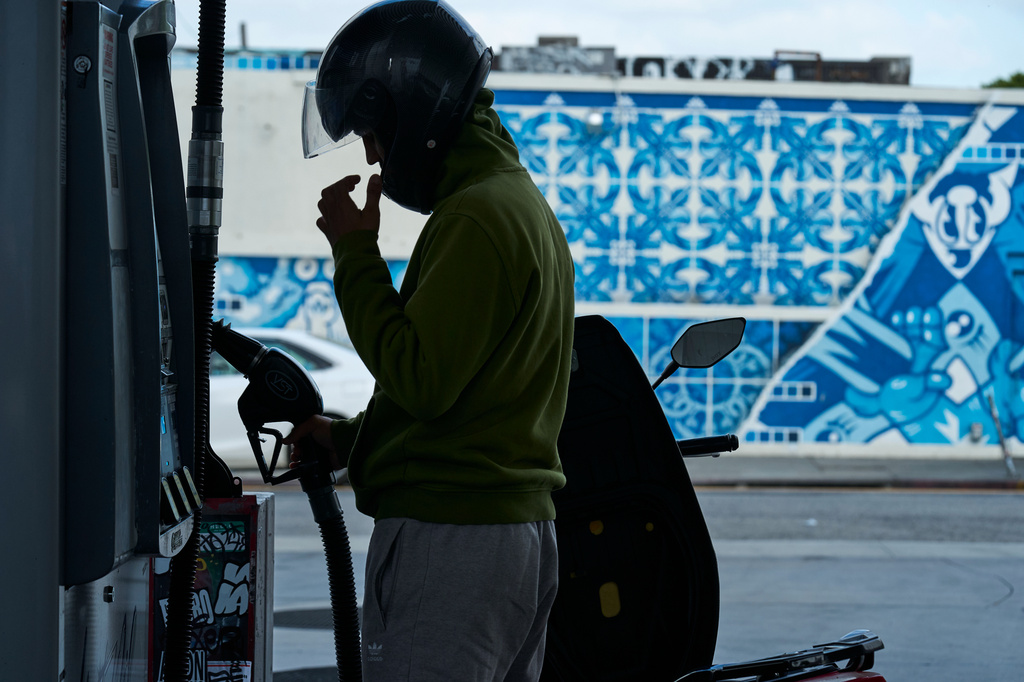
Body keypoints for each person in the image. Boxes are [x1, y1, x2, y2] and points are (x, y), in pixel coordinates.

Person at [285, 1, 576, 680]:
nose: (372, 155)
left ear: (412, 116)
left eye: (371, 132)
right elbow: (473, 399)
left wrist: (355, 254)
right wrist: (352, 440)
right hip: (506, 535)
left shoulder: (477, 218)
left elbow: (420, 378)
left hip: (455, 542)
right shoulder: (515, 204)